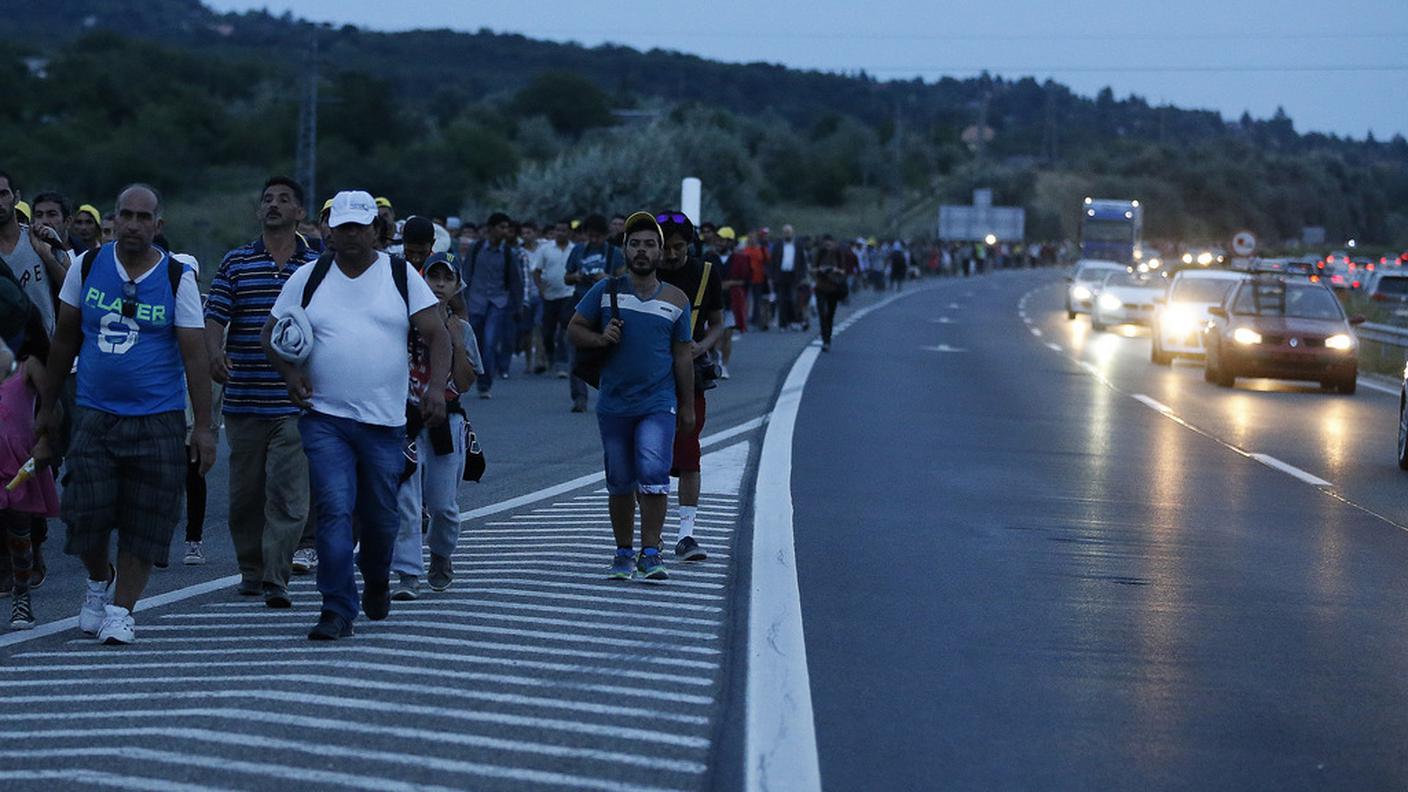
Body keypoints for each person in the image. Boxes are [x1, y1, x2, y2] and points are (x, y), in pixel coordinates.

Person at [34, 183, 216, 645]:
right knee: (82, 512)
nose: (133, 225)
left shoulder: (177, 278)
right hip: (95, 411)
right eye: (126, 216)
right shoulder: (89, 265)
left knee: (146, 517)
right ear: (114, 220)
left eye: (143, 217)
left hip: (158, 416)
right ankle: (100, 578)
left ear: (158, 225)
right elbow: (64, 339)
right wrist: (47, 406)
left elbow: (195, 356)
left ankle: (121, 608)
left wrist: (205, 428)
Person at [263, 190, 449, 640]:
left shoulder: (401, 276)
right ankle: (336, 608)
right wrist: (290, 376)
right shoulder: (308, 278)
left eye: (359, 226)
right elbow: (270, 334)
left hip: (385, 423)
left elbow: (437, 335)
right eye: (342, 226)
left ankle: (377, 577)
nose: (350, 235)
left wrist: (437, 389)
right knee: (334, 509)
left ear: (375, 229)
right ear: (328, 229)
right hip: (325, 418)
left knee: (381, 518)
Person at [205, 176, 320, 607]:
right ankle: (251, 570)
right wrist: (214, 352)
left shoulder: (316, 265)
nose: (273, 205)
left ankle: (277, 576)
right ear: (259, 211)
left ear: (299, 213)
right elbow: (214, 314)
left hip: (296, 401)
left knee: (289, 494)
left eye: (284, 199)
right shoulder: (237, 262)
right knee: (244, 498)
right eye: (267, 199)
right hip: (243, 399)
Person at [567, 212, 693, 582]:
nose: (642, 250)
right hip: (614, 404)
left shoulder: (676, 299)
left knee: (654, 474)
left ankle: (651, 552)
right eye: (635, 243)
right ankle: (623, 552)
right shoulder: (604, 292)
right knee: (620, 481)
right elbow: (575, 330)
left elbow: (683, 355)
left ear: (660, 252)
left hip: (659, 402)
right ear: (624, 249)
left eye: (649, 244)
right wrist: (600, 338)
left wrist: (686, 407)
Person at [391, 252, 482, 599]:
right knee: (406, 501)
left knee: (443, 505)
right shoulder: (404, 321)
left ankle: (441, 555)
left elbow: (466, 381)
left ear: (458, 285)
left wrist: (455, 340)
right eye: (433, 277)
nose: (440, 284)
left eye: (447, 278)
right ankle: (407, 573)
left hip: (448, 419)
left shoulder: (463, 328)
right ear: (422, 280)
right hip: (407, 420)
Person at [655, 211, 725, 562]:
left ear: (690, 245)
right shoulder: (642, 272)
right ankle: (651, 536)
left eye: (678, 247)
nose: (670, 255)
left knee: (688, 450)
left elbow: (717, 322)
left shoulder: (706, 271)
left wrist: (703, 345)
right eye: (665, 247)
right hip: (650, 372)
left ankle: (687, 534)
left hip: (690, 372)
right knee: (650, 454)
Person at [1, 327, 56, 630]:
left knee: (19, 531)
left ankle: (21, 598)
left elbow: (51, 405)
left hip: (17, 463)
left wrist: (46, 440)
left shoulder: (29, 362)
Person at [563, 214, 624, 412]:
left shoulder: (614, 253)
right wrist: (576, 276)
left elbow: (625, 279)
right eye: (590, 236)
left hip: (607, 305)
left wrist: (607, 278)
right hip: (580, 303)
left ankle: (611, 394)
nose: (594, 240)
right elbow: (567, 277)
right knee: (575, 351)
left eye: (598, 236)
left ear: (605, 235)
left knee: (611, 352)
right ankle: (579, 397)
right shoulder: (578, 251)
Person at [460, 212, 523, 400]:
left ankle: (485, 383)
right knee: (475, 342)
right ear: (491, 229)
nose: (505, 231)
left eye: (507, 227)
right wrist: (460, 300)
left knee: (489, 342)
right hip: (476, 301)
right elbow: (466, 274)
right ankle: (470, 377)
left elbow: (515, 281)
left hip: (497, 302)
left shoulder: (508, 253)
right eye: (501, 227)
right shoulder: (477, 248)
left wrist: (519, 305)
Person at [0, 172, 68, 338]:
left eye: (3, 194)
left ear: (16, 197)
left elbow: (72, 288)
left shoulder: (43, 237)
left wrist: (47, 257)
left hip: (45, 349)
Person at [532, 219, 575, 379]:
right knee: (548, 332)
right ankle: (550, 356)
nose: (560, 233)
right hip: (549, 295)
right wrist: (540, 288)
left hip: (568, 294)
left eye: (563, 230)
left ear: (569, 232)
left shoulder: (574, 249)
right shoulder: (545, 249)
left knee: (564, 328)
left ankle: (562, 363)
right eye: (558, 230)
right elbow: (536, 271)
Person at [769, 224, 809, 331]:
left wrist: (803, 275)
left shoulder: (798, 245)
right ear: (783, 233)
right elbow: (772, 261)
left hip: (794, 276)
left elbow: (803, 261)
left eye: (789, 232)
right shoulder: (777, 245)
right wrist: (771, 276)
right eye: (785, 232)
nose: (787, 234)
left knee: (792, 299)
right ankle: (783, 324)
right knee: (781, 300)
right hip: (780, 275)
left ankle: (792, 321)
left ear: (792, 233)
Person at [813, 235, 848, 351]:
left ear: (834, 243)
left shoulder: (838, 254)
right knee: (822, 313)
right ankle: (825, 340)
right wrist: (820, 269)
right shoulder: (820, 253)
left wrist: (834, 270)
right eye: (826, 243)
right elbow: (812, 268)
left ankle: (828, 338)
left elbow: (843, 270)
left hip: (834, 288)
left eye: (830, 243)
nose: (828, 245)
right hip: (820, 287)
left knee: (830, 315)